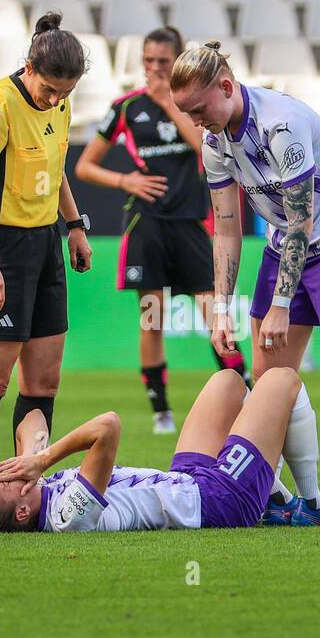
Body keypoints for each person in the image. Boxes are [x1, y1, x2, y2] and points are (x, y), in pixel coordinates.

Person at [169, 42, 320, 528]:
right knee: (269, 384)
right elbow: (226, 229)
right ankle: (299, 500)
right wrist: (221, 309)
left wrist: (282, 304)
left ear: (226, 87)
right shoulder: (214, 143)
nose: (197, 121)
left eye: (200, 109)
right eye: (187, 113)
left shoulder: (280, 126)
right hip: (283, 241)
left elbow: (303, 220)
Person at [75, 26, 250, 435]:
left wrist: (167, 103)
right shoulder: (125, 108)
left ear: (177, 63)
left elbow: (203, 148)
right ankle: (161, 411)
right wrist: (126, 181)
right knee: (151, 317)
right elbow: (84, 165)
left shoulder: (193, 105)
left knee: (215, 311)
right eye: (149, 61)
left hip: (189, 220)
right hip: (146, 223)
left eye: (163, 62)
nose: (154, 69)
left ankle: (245, 390)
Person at [0, 12, 94, 494]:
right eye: (49, 90)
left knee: (43, 381)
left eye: (66, 94)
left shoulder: (59, 104)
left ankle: (23, 489)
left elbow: (54, 171)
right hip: (1, 246)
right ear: (30, 67)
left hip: (45, 243)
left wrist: (74, 225)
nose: (55, 100)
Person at [0, 367, 320, 534]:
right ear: (21, 513)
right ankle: (312, 504)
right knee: (279, 379)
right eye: (1, 484)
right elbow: (108, 426)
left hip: (187, 482)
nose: (5, 476)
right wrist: (43, 459)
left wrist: (33, 452)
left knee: (226, 382)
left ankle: (275, 500)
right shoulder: (68, 516)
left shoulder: (38, 489)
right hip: (217, 504)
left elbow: (31, 419)